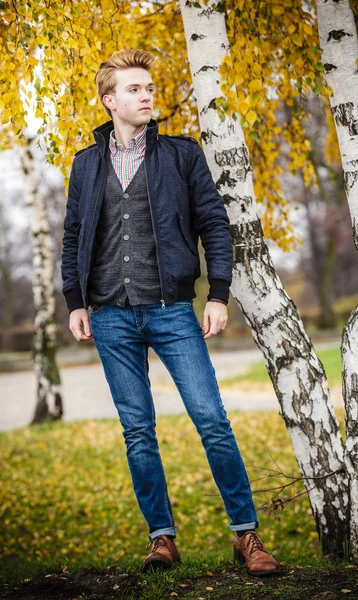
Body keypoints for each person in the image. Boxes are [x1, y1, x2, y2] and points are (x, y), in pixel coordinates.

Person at [61, 48, 280, 578]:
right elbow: (73, 237)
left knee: (212, 420)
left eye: (148, 87)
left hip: (172, 309)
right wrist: (75, 302)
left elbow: (214, 225)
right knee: (138, 431)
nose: (147, 94)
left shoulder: (181, 155)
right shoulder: (86, 165)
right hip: (110, 314)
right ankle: (162, 539)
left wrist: (219, 294)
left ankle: (245, 534)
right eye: (134, 89)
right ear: (109, 100)